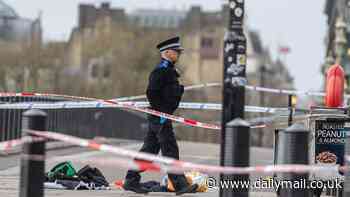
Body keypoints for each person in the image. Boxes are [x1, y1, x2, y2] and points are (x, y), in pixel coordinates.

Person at [123, 36, 198, 195]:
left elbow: (168, 93)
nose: (178, 54)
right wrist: (161, 111)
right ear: (167, 52)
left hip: (161, 116)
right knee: (170, 149)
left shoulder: (169, 70)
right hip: (160, 116)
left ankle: (131, 179)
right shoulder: (161, 70)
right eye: (176, 52)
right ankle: (180, 185)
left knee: (149, 150)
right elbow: (152, 93)